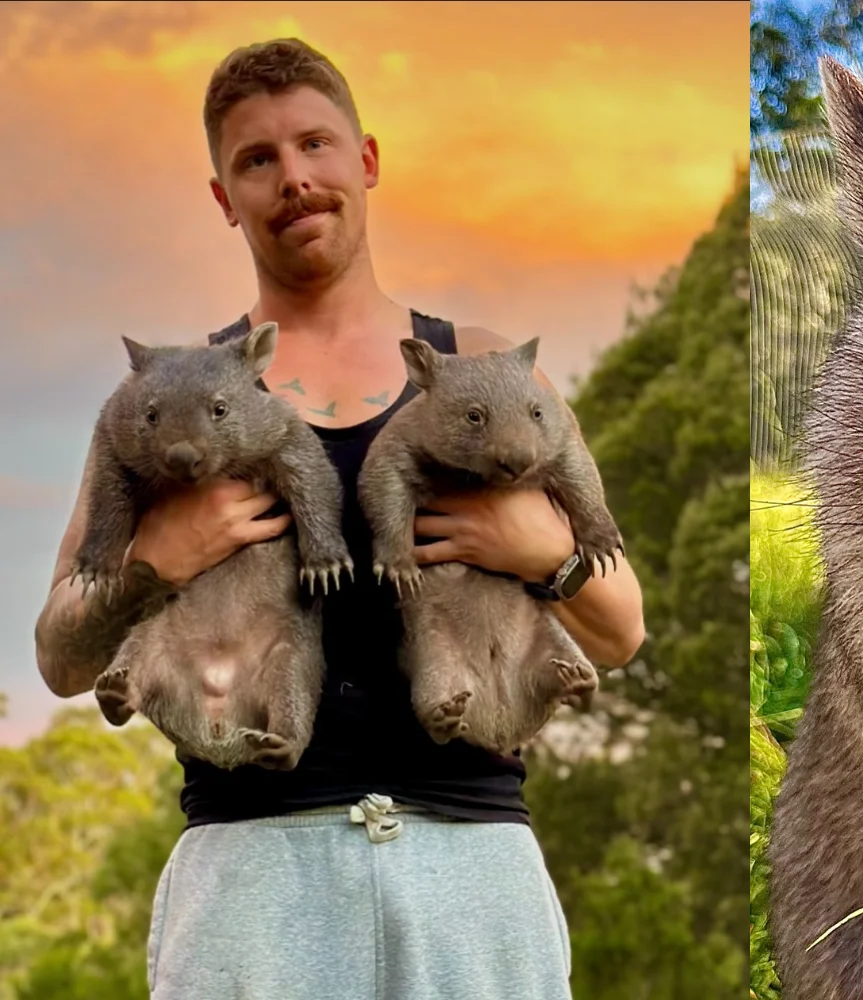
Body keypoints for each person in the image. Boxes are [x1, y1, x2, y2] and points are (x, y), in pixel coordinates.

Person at [32, 37, 646, 1000]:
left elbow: (622, 632)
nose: (294, 179)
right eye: (257, 160)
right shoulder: (176, 400)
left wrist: (543, 551)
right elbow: (59, 659)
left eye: (314, 144)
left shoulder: (481, 370)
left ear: (365, 160)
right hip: (250, 871)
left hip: (471, 863)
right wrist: (154, 560)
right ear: (223, 198)